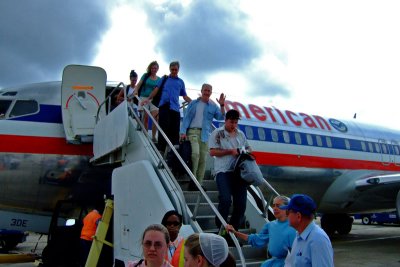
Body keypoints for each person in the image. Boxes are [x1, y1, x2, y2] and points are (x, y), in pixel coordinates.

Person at [209, 109, 251, 231]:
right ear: (226, 120)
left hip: (238, 173)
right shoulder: (217, 133)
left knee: (241, 204)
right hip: (223, 171)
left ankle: (233, 229)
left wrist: (243, 152)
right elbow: (212, 152)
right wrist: (230, 151)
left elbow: (249, 148)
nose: (233, 125)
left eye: (235, 122)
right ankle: (221, 225)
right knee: (226, 199)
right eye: (231, 122)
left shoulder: (240, 134)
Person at [225, 196, 296, 267]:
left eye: (278, 206)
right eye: (273, 205)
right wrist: (235, 233)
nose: (274, 208)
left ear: (287, 208)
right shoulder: (270, 225)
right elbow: (257, 239)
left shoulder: (295, 226)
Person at [141, 61, 192, 152]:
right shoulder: (164, 79)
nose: (174, 71)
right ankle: (161, 149)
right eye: (172, 69)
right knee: (163, 128)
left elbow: (184, 96)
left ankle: (173, 151)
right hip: (164, 107)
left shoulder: (181, 82)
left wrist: (193, 102)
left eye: (175, 69)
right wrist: (148, 99)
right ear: (169, 69)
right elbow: (156, 90)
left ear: (178, 70)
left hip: (175, 109)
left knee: (175, 130)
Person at [180, 83, 226, 182]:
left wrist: (222, 105)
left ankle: (198, 183)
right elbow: (187, 118)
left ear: (211, 93)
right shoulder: (193, 103)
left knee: (203, 159)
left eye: (209, 91)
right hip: (192, 132)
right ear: (201, 91)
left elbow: (221, 117)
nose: (206, 92)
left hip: (205, 135)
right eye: (205, 90)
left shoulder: (213, 106)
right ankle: (193, 179)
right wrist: (183, 132)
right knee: (195, 154)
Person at [280, 194, 334, 267]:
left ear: (298, 216)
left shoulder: (318, 239)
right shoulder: (299, 237)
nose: (286, 216)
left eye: (288, 212)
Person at [135, 61, 161, 142]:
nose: (154, 69)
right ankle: (146, 135)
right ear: (150, 68)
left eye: (155, 68)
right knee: (145, 117)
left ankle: (153, 136)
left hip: (153, 99)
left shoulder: (159, 79)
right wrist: (136, 90)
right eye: (153, 68)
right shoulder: (145, 76)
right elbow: (139, 84)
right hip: (143, 97)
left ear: (157, 69)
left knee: (155, 118)